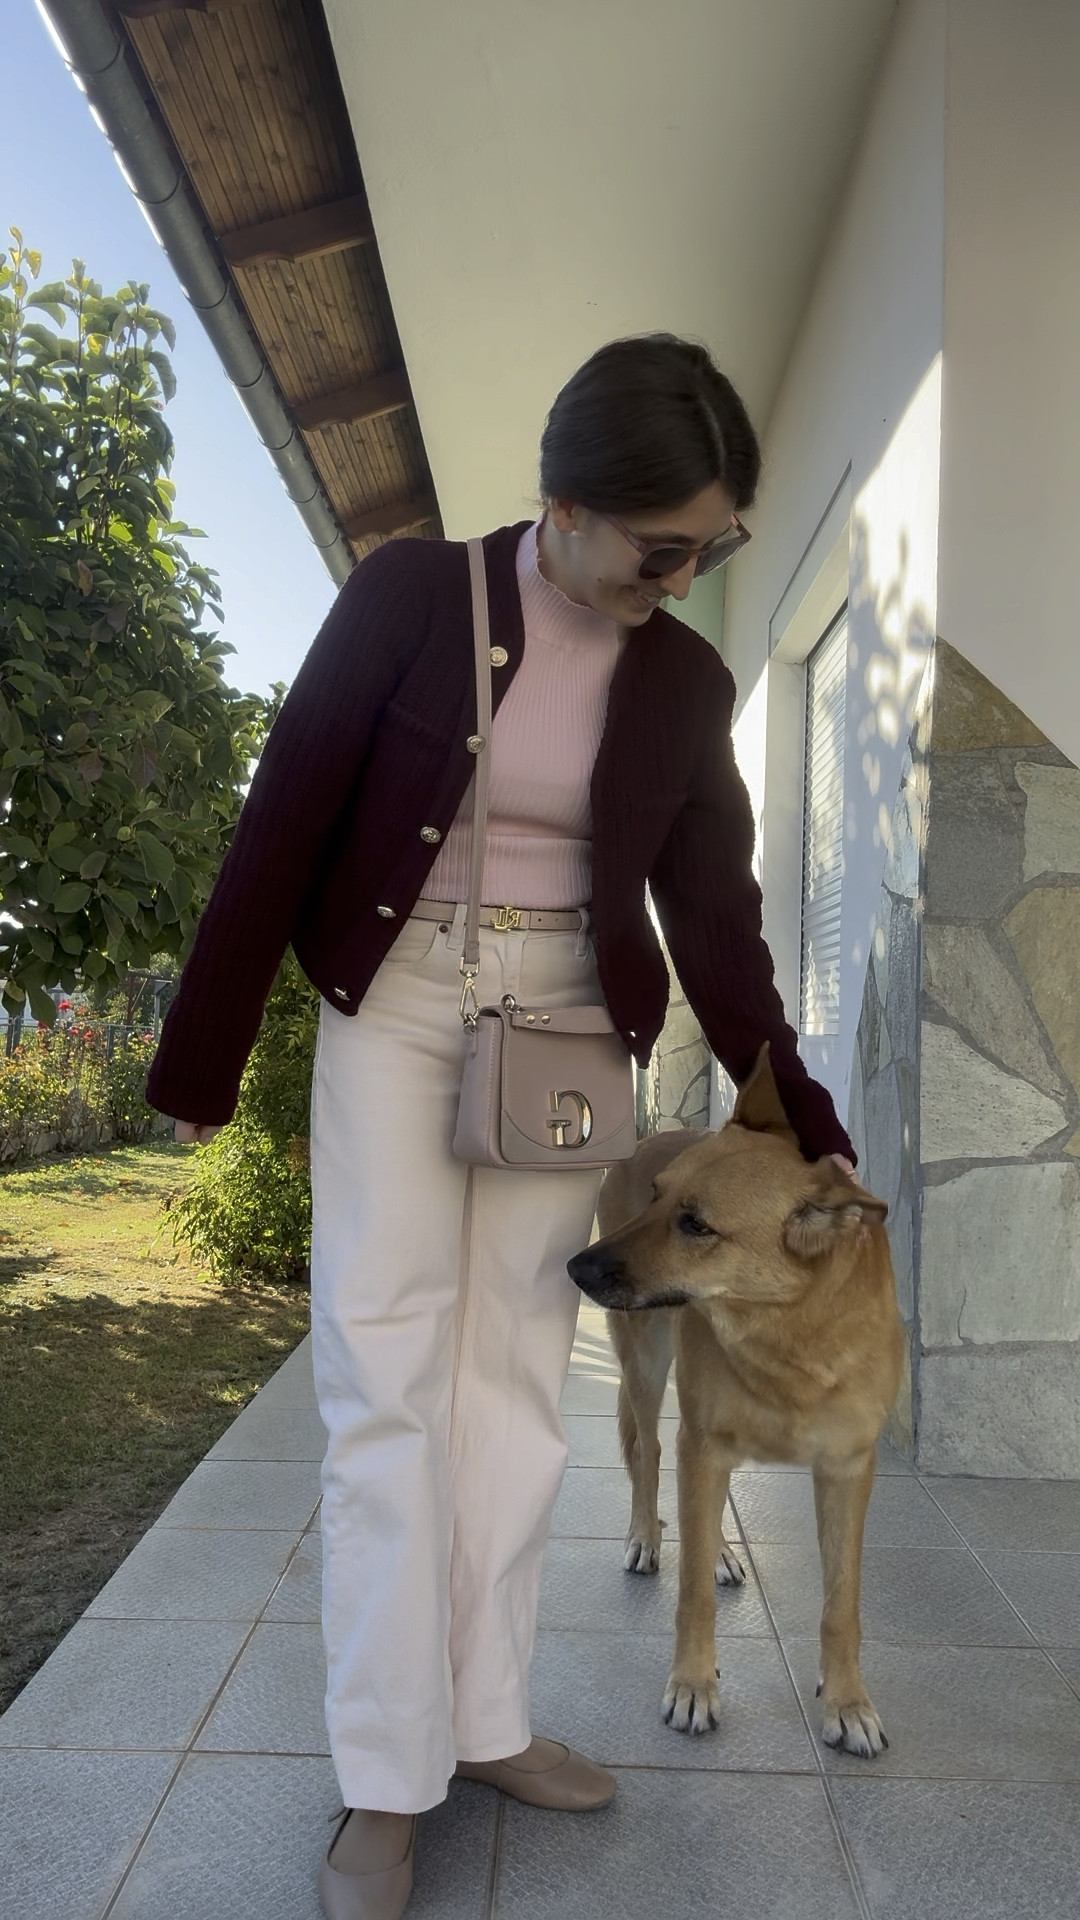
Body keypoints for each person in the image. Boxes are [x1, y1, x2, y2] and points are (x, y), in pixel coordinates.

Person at [147, 333, 856, 1920]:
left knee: (520, 1384)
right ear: (567, 502)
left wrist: (800, 1113)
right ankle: (382, 1782)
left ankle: (483, 1722)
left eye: (716, 545)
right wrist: (198, 1065)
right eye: (663, 544)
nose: (684, 573)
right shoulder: (414, 598)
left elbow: (720, 920)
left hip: (563, 1040)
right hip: (393, 1011)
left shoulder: (684, 674)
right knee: (388, 1380)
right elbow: (289, 813)